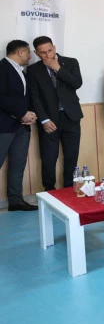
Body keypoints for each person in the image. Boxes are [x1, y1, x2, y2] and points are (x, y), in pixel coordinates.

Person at [27, 36, 82, 190]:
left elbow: (77, 83)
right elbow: (34, 97)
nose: (48, 55)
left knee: (71, 157)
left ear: (55, 48)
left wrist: (58, 68)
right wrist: (44, 120)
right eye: (43, 53)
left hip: (71, 117)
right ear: (36, 53)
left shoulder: (71, 62)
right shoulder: (33, 70)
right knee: (49, 159)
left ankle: (69, 190)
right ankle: (49, 192)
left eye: (50, 50)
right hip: (49, 120)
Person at [0, 40, 37, 210]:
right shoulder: (2, 68)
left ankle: (16, 201)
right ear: (20, 52)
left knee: (18, 164)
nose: (30, 57)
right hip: (4, 126)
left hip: (22, 126)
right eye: (28, 52)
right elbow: (2, 97)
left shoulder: (22, 72)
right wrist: (21, 113)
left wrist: (29, 115)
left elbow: (24, 97)